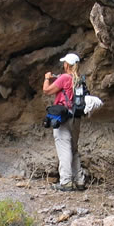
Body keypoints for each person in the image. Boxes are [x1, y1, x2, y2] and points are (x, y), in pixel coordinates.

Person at [43, 53, 86, 191]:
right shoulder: (79, 79)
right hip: (76, 117)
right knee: (73, 149)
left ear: (67, 65)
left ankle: (66, 182)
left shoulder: (64, 78)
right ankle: (79, 181)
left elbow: (47, 90)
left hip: (64, 117)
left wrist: (46, 78)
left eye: (64, 63)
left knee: (64, 149)